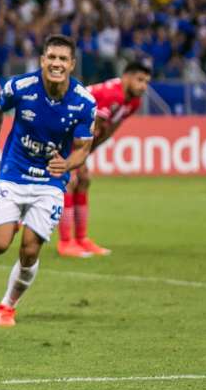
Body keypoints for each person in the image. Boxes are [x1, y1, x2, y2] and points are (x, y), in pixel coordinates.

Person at [0, 35, 96, 327]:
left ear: (71, 64)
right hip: (14, 172)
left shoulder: (84, 102)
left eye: (63, 59)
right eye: (52, 58)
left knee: (30, 249)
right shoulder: (20, 87)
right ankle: (17, 219)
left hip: (50, 181)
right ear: (42, 61)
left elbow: (83, 147)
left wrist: (68, 163)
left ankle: (7, 305)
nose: (56, 64)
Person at [56, 61, 152, 257]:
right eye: (140, 80)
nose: (143, 86)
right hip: (60, 131)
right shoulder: (111, 95)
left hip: (77, 138)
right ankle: (66, 242)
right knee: (69, 182)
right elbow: (86, 130)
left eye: (146, 82)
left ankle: (82, 239)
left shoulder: (133, 101)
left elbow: (107, 131)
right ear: (126, 77)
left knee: (84, 180)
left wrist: (83, 158)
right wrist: (74, 159)